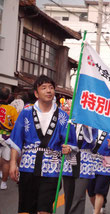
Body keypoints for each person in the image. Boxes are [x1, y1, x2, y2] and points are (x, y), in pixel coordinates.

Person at [7, 75, 78, 214]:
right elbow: (16, 141)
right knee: (25, 210)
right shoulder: (26, 113)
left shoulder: (63, 116)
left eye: (51, 88)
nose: (48, 91)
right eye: (44, 88)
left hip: (51, 168)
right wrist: (13, 164)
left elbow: (71, 142)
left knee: (44, 210)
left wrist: (68, 148)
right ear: (36, 93)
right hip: (28, 167)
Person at [62, 124, 98, 214]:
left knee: (79, 196)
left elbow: (93, 141)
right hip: (69, 159)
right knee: (68, 195)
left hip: (84, 159)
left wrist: (87, 126)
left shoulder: (90, 121)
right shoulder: (68, 120)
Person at [87, 131, 110, 214]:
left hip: (105, 162)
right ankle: (96, 208)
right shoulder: (92, 126)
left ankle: (96, 212)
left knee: (100, 190)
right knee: (90, 191)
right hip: (90, 162)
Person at [0, 87, 19, 190]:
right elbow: (15, 126)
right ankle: (3, 183)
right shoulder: (12, 109)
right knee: (6, 161)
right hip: (7, 136)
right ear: (8, 97)